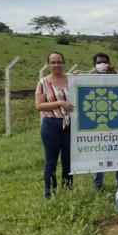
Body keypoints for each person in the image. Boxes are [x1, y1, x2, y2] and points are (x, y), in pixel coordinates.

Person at [35, 51, 74, 199]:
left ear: (63, 63)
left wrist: (78, 75)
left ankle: (68, 191)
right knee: (51, 161)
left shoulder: (71, 79)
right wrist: (59, 102)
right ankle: (49, 193)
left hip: (70, 124)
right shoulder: (43, 82)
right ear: (48, 64)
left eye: (59, 62)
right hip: (51, 124)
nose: (57, 65)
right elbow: (39, 106)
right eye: (53, 62)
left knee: (68, 161)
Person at [90, 52, 118, 189]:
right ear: (94, 65)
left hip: (116, 122)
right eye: (98, 62)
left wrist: (114, 75)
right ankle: (97, 183)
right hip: (96, 122)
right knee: (98, 152)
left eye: (104, 62)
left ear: (109, 64)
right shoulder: (88, 81)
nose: (101, 65)